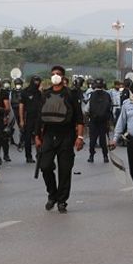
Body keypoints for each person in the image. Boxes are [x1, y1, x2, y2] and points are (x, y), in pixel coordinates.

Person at [35, 65, 84, 211]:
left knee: (65, 170)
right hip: (48, 135)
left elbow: (79, 118)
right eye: (53, 74)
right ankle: (52, 194)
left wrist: (79, 137)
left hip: (67, 135)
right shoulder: (45, 94)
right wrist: (37, 136)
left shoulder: (70, 94)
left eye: (58, 74)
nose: (55, 76)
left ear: (63, 77)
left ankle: (62, 201)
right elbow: (39, 118)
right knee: (45, 166)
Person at [86, 78, 112, 164]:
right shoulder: (107, 95)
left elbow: (86, 109)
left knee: (92, 140)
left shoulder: (91, 94)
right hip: (103, 121)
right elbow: (109, 108)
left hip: (93, 120)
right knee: (103, 139)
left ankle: (91, 156)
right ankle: (105, 156)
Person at [18, 75, 43, 164]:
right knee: (28, 137)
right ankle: (28, 156)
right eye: (35, 81)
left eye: (38, 81)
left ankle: (39, 154)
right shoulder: (25, 92)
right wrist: (21, 120)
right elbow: (21, 106)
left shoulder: (39, 93)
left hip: (39, 117)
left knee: (39, 136)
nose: (37, 83)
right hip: (28, 117)